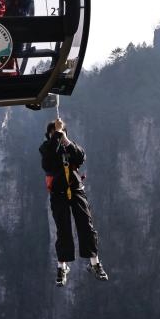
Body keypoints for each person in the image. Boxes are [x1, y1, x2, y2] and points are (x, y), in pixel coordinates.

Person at [39, 118, 108, 286]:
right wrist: (57, 136)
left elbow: (81, 157)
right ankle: (62, 267)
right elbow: (48, 161)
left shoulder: (70, 147)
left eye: (60, 133)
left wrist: (65, 140)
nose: (58, 135)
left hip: (76, 189)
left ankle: (94, 263)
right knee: (63, 229)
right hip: (58, 193)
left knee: (86, 225)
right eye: (54, 134)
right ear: (49, 136)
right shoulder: (46, 148)